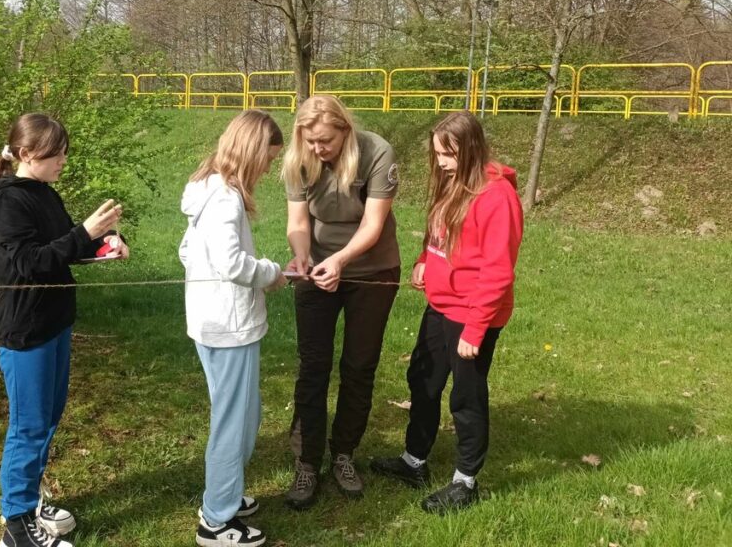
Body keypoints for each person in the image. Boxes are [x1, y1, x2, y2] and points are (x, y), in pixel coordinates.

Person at [0, 113, 129, 547]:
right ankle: (17, 524)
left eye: (65, 151)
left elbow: (62, 246)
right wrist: (85, 231)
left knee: (47, 419)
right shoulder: (9, 201)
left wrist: (103, 244)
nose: (64, 159)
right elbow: (28, 263)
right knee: (28, 425)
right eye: (57, 152)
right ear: (27, 154)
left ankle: (31, 499)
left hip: (55, 323)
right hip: (26, 331)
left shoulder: (43, 193)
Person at [370, 111, 523, 514]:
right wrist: (425, 260)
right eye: (437, 153)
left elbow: (497, 271)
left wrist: (475, 330)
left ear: (470, 149)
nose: (440, 161)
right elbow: (439, 234)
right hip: (440, 306)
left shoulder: (496, 197)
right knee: (423, 380)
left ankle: (465, 482)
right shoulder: (453, 183)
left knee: (466, 397)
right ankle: (413, 461)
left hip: (474, 313)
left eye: (448, 154)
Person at [281, 95, 401, 508]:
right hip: (316, 271)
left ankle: (344, 454)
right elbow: (298, 222)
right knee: (313, 365)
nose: (317, 149)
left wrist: (341, 260)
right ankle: (307, 461)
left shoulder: (377, 151)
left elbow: (373, 222)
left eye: (325, 141)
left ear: (344, 130)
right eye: (311, 141)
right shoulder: (300, 158)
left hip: (372, 270)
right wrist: (302, 255)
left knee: (359, 365)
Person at [179, 110, 287, 547]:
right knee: (232, 421)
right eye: (269, 158)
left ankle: (226, 492)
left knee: (246, 414)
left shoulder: (205, 189)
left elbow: (187, 251)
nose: (269, 167)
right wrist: (273, 273)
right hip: (229, 326)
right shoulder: (223, 197)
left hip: (213, 321)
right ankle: (217, 520)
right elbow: (231, 264)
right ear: (252, 149)